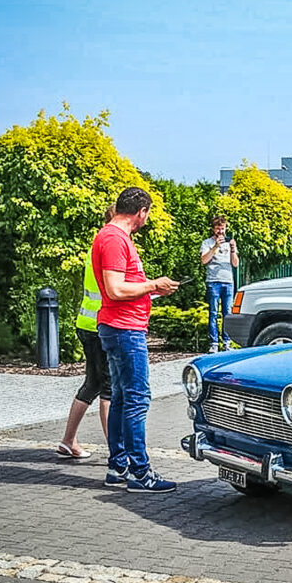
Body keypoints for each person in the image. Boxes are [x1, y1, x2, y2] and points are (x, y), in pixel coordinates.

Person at [92, 187, 179, 493]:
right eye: (148, 213)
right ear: (141, 211)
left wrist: (153, 289)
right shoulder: (115, 239)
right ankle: (141, 473)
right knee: (137, 399)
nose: (147, 218)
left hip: (120, 327)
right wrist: (153, 284)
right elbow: (115, 289)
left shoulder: (112, 237)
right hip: (124, 330)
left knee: (120, 398)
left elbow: (124, 286)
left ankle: (118, 468)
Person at [55, 206, 115, 459]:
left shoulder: (97, 245)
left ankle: (68, 440)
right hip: (100, 326)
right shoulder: (110, 246)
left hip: (87, 324)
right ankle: (116, 451)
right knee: (108, 389)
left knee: (92, 384)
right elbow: (114, 289)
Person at [200, 215, 239, 353]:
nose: (220, 232)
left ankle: (227, 343)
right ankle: (214, 343)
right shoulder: (207, 243)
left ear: (226, 228)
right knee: (213, 313)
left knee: (227, 313)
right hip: (213, 282)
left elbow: (235, 264)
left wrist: (233, 249)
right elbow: (204, 260)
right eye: (218, 229)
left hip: (228, 281)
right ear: (213, 229)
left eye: (222, 229)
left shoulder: (230, 243)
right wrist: (215, 246)